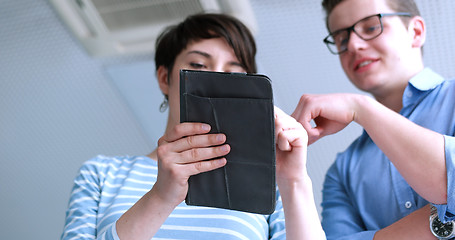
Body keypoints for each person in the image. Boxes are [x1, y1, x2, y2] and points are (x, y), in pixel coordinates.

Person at [61, 13, 324, 240]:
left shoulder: (269, 184)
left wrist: (293, 180)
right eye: (198, 65)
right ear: (165, 78)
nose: (216, 78)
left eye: (234, 73)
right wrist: (161, 197)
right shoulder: (101, 173)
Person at [291, 0, 455, 239]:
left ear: (416, 32)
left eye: (370, 28)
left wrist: (361, 108)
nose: (354, 46)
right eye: (342, 40)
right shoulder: (342, 172)